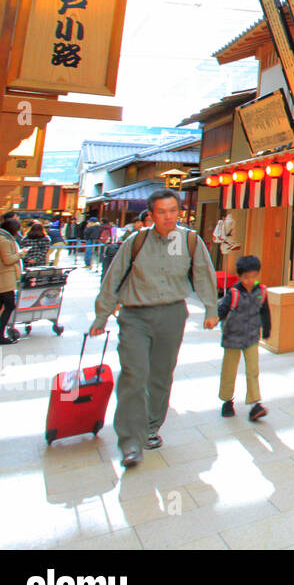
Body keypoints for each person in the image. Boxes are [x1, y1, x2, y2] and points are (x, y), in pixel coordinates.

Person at [91, 189, 217, 469]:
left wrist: (211, 309)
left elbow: (203, 274)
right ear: (151, 215)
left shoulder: (190, 240)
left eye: (173, 210)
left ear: (179, 212)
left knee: (161, 375)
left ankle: (150, 428)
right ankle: (130, 442)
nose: (168, 217)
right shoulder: (136, 242)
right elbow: (113, 279)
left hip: (172, 314)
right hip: (135, 315)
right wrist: (101, 316)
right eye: (162, 212)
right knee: (134, 374)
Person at [208, 254, 270, 422]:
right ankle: (227, 400)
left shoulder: (261, 290)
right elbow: (223, 310)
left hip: (251, 337)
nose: (250, 280)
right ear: (240, 276)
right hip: (232, 337)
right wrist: (214, 319)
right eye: (246, 277)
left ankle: (255, 404)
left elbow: (265, 311)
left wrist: (267, 331)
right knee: (229, 370)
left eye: (253, 276)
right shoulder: (234, 292)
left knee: (253, 370)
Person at [0, 213, 26, 345]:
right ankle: (0, 335)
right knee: (9, 305)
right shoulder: (4, 241)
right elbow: (7, 260)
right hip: (5, 276)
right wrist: (21, 254)